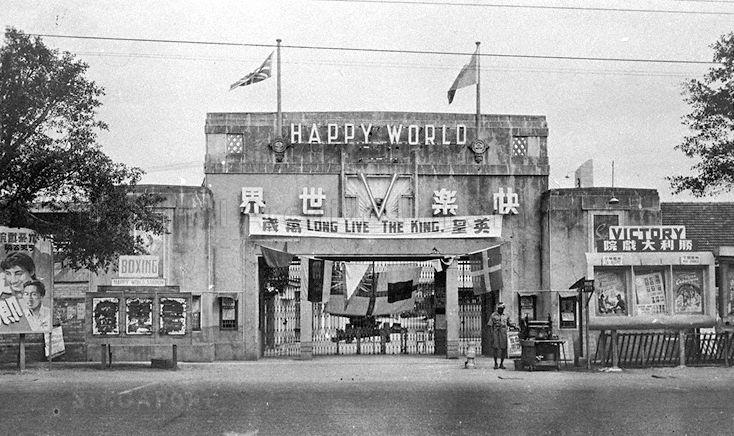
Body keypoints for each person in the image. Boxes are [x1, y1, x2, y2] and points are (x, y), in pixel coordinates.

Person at [488, 302, 515, 369]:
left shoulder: (506, 315)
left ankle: (501, 364)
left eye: (502, 308)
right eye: (500, 308)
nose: (501, 310)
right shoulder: (493, 315)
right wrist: (491, 334)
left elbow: (509, 323)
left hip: (503, 332)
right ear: (498, 308)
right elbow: (489, 325)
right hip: (496, 332)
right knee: (495, 348)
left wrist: (515, 326)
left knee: (504, 348)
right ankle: (495, 363)